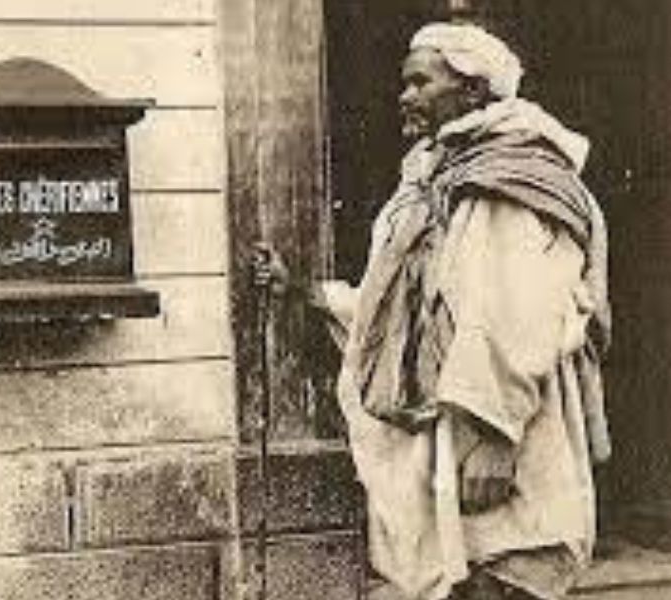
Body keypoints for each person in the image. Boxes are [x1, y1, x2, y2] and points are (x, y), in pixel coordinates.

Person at [254, 21, 610, 600]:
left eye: (421, 82)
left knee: (504, 570)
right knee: (454, 578)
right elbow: (401, 303)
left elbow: (518, 313)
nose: (406, 96)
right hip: (447, 424)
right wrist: (302, 292)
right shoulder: (431, 174)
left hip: (503, 427)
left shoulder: (514, 174)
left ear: (473, 91)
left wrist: (495, 436)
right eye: (406, 83)